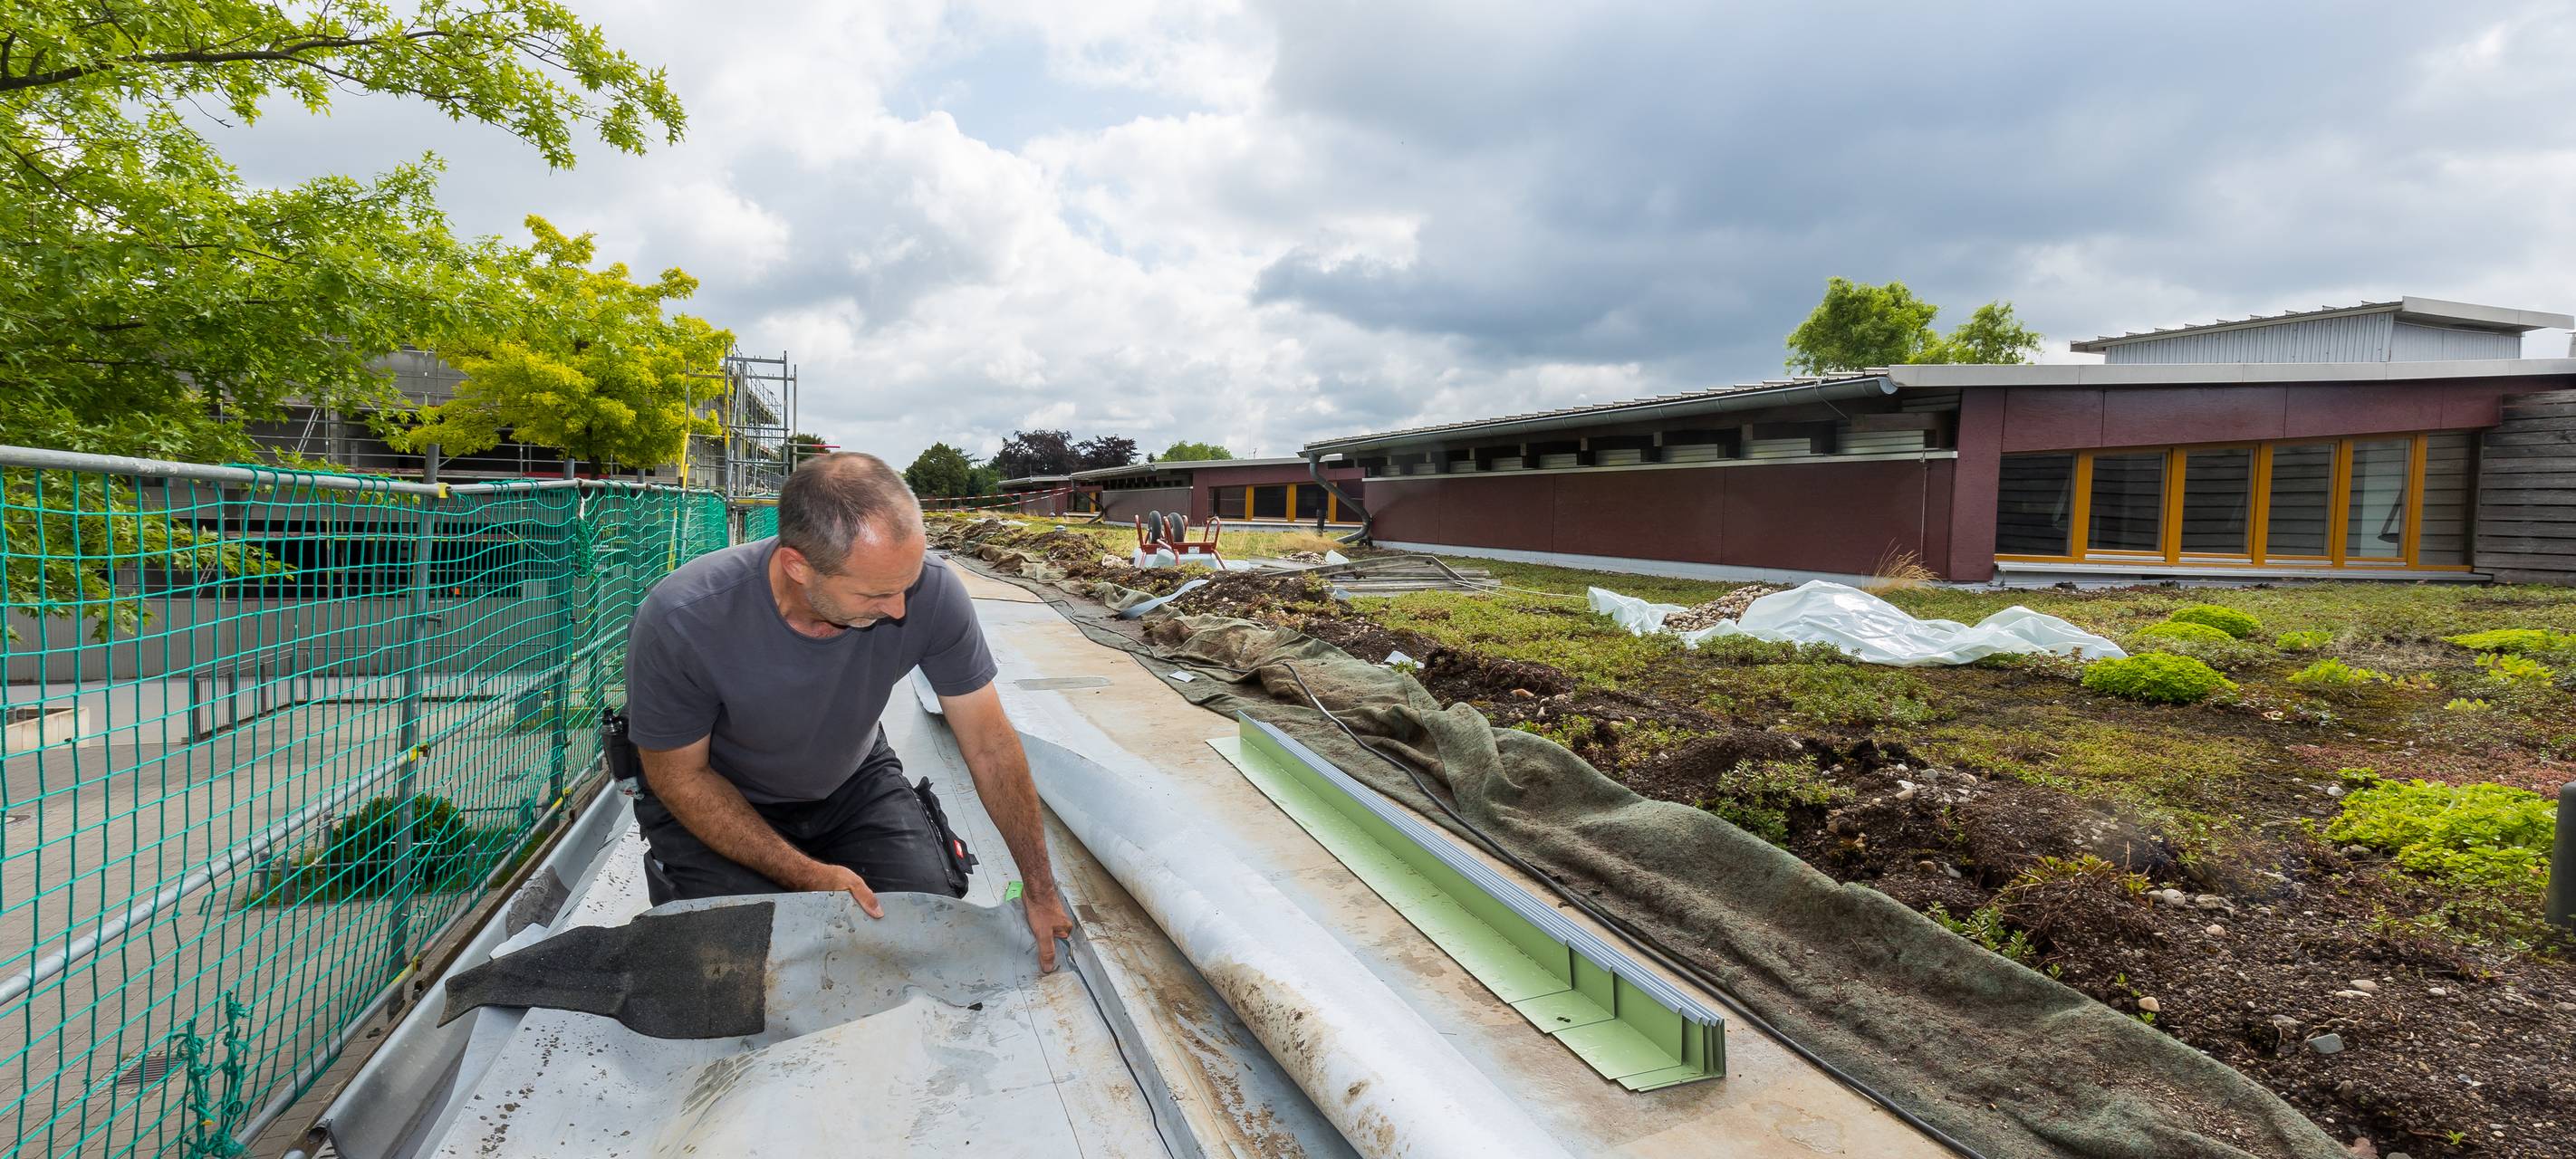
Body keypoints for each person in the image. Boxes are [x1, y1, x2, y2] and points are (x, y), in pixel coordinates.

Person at [620, 453, 1073, 970]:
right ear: (798, 566)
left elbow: (990, 746)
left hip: (849, 780)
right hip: (722, 795)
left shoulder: (929, 590)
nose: (901, 609)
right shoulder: (683, 621)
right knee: (735, 964)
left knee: (925, 923)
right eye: (877, 593)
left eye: (906, 585)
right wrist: (810, 876)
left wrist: (1039, 890)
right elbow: (680, 779)